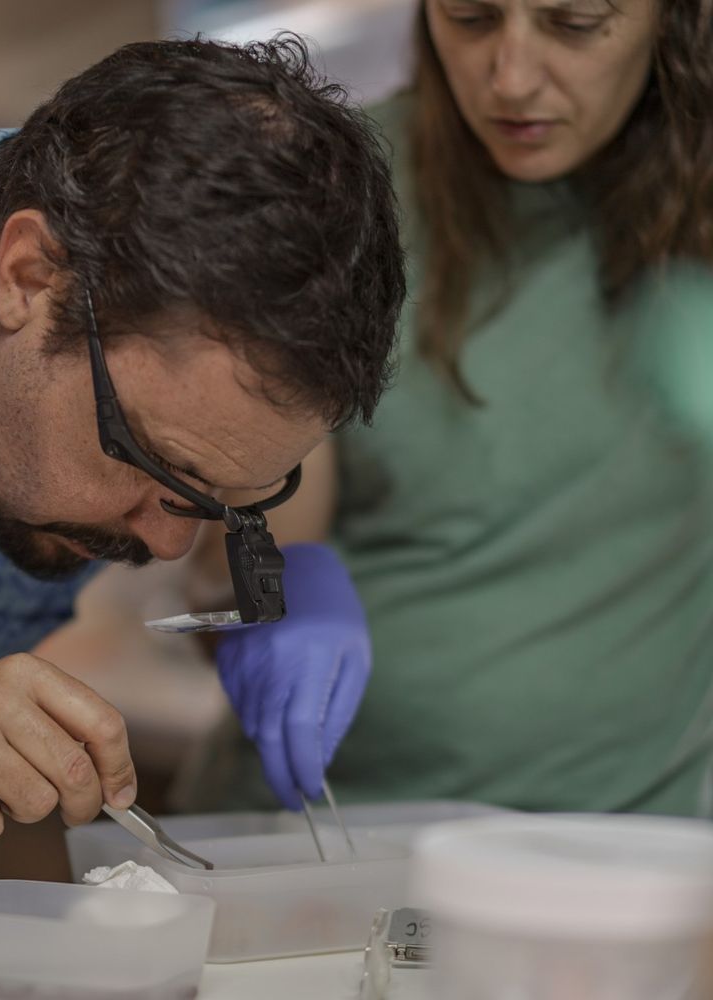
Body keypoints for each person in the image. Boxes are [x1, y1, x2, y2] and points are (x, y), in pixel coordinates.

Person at [210, 0, 713, 817]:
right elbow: (251, 500)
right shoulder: (332, 193)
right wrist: (275, 584)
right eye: (471, 18)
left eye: (574, 24)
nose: (509, 79)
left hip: (622, 855)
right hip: (324, 838)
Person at [0, 36, 405, 842]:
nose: (170, 540)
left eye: (209, 498)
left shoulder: (73, 394)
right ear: (30, 277)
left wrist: (253, 594)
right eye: (154, 462)